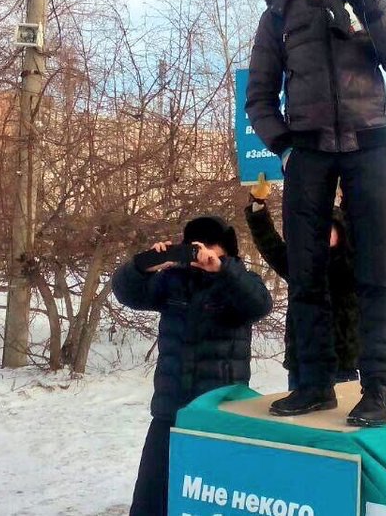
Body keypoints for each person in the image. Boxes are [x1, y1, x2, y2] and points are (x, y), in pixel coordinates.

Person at [245, 0, 386, 426]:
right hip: (309, 151)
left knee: (377, 271)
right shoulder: (280, 10)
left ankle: (377, 388)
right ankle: (314, 384)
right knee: (306, 273)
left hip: (369, 145)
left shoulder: (367, 1)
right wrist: (285, 147)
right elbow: (259, 95)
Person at [112, 215, 273, 516]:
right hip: (170, 409)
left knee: (212, 496)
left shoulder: (239, 280)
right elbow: (126, 293)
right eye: (194, 245)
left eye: (210, 245)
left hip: (219, 413)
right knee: (152, 496)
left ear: (226, 249)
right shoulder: (173, 280)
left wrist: (222, 271)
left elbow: (260, 304)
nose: (202, 252)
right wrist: (143, 265)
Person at [243, 174, 359, 388]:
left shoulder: (350, 263)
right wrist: (258, 204)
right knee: (297, 421)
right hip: (301, 363)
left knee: (337, 421)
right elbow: (269, 243)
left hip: (341, 365)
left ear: (339, 231)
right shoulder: (298, 263)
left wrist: (347, 194)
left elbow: (356, 225)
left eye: (327, 229)